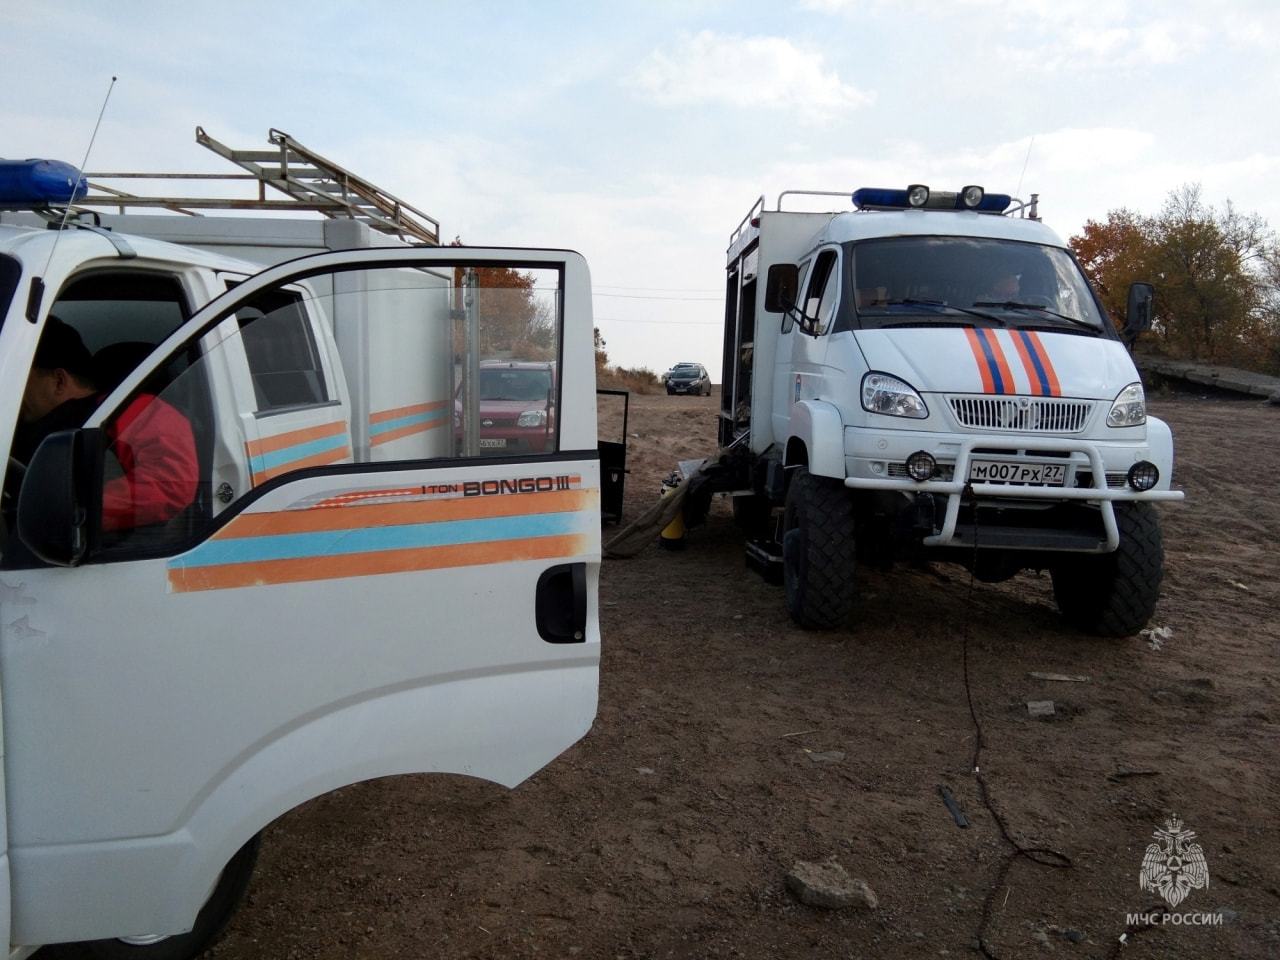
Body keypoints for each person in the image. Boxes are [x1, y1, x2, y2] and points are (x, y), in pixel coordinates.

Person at [9, 315, 199, 533]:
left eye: (20, 380)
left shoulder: (130, 410)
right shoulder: (16, 426)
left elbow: (170, 484)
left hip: (103, 553)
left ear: (59, 380)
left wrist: (70, 509)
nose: (10, 393)